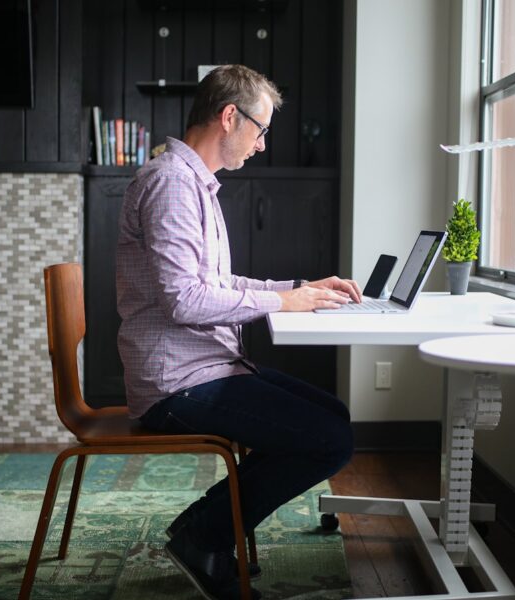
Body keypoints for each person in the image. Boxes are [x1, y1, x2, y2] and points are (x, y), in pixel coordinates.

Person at [116, 64, 360, 600]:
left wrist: (300, 287)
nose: (262, 144)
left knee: (334, 420)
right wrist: (283, 302)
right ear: (230, 116)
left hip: (206, 365)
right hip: (176, 383)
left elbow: (218, 284)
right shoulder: (172, 185)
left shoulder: (193, 184)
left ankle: (204, 530)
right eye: (261, 129)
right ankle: (204, 536)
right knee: (330, 439)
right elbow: (185, 300)